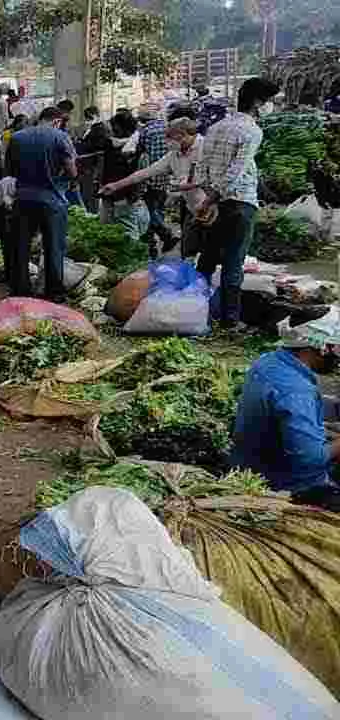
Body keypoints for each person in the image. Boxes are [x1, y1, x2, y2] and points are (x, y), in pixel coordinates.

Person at [231, 310, 340, 510]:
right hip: (286, 485)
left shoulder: (268, 361)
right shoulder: (297, 392)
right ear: (322, 347)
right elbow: (310, 460)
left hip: (249, 463)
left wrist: (326, 429)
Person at [194, 76, 279, 329]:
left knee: (207, 261)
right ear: (256, 102)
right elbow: (236, 172)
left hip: (215, 203)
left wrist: (208, 199)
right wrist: (213, 198)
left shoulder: (217, 127)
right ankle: (230, 321)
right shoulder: (252, 131)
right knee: (233, 262)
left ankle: (196, 309)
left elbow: (203, 169)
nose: (270, 106)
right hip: (239, 203)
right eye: (269, 101)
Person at [100, 117, 208, 257]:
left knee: (208, 253)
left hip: (211, 207)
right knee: (188, 251)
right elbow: (145, 173)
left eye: (170, 137)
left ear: (181, 135)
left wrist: (188, 186)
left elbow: (212, 178)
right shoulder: (174, 154)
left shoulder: (206, 148)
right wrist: (116, 185)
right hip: (192, 207)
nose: (167, 142)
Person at [5, 106, 77, 300]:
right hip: (52, 200)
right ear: (56, 121)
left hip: (23, 199)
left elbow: (9, 171)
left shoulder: (17, 137)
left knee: (21, 246)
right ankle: (54, 292)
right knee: (53, 246)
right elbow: (72, 171)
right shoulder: (60, 137)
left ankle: (20, 290)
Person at [134, 103, 174, 255]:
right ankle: (152, 245)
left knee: (149, 210)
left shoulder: (145, 131)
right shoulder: (167, 127)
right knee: (158, 208)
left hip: (150, 174)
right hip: (166, 174)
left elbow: (139, 151)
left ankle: (164, 236)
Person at [76, 106, 112, 214]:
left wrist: (81, 144)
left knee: (90, 193)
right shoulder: (95, 128)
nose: (87, 120)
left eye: (88, 118)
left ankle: (92, 213)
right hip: (88, 165)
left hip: (92, 166)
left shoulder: (100, 129)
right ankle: (91, 211)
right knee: (87, 192)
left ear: (95, 116)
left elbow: (97, 147)